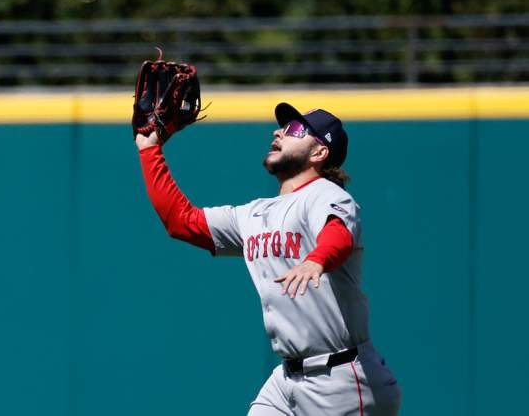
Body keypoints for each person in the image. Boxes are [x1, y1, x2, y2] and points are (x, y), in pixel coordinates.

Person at [134, 103, 401, 415]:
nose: (279, 133)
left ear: (319, 153)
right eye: (282, 128)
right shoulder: (255, 214)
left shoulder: (327, 195)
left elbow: (338, 233)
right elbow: (181, 221)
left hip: (341, 379)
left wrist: (316, 260)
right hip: (288, 378)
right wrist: (149, 148)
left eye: (296, 130)